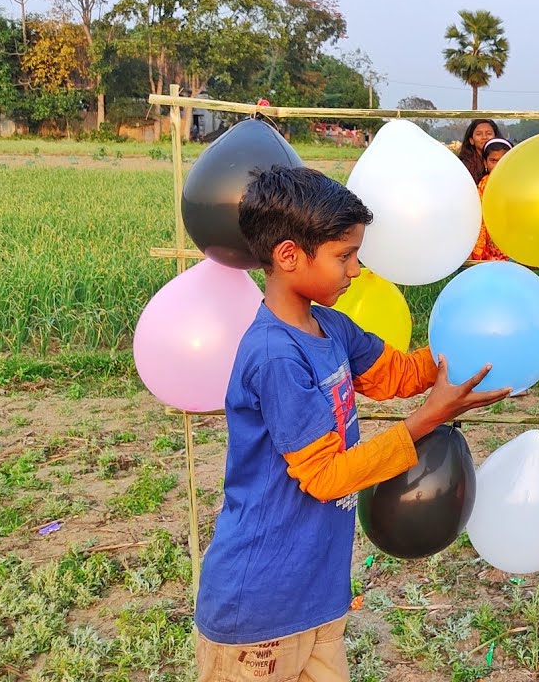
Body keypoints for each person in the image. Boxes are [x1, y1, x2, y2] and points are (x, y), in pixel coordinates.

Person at [193, 166, 510, 682]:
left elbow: (399, 373)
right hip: (258, 609)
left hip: (316, 593)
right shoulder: (276, 355)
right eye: (345, 255)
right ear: (289, 256)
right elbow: (325, 477)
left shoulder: (330, 325)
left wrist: (471, 345)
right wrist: (427, 420)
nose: (356, 270)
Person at [470, 137, 512, 262]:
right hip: (488, 246)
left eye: (503, 160)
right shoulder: (482, 187)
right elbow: (478, 219)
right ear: (485, 163)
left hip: (511, 243)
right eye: (493, 161)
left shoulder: (518, 185)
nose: (498, 165)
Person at [457, 119, 499, 183]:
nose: (484, 137)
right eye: (479, 134)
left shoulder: (505, 160)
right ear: (471, 140)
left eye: (489, 133)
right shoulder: (463, 167)